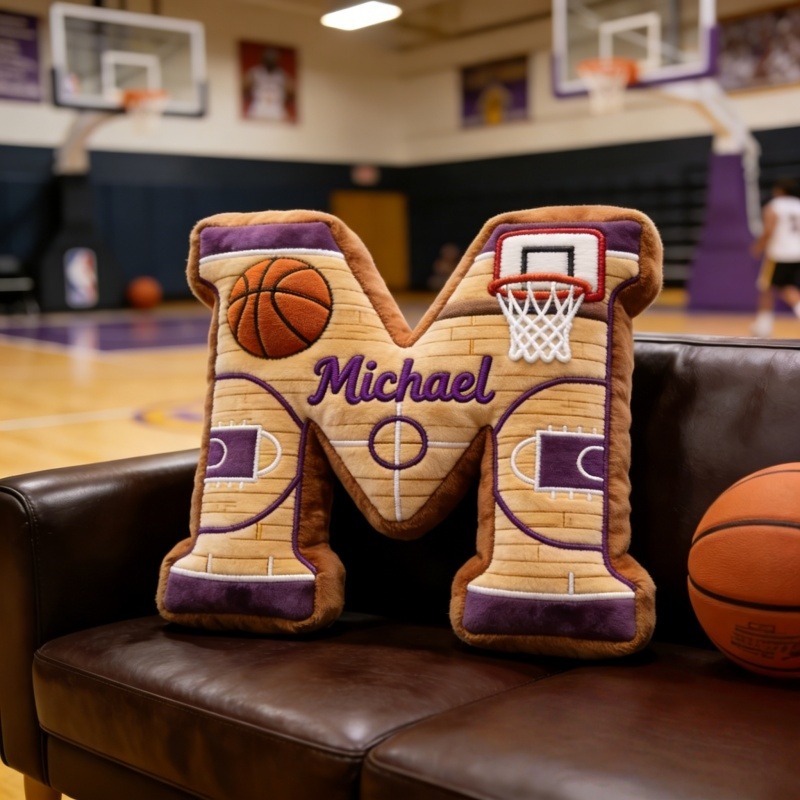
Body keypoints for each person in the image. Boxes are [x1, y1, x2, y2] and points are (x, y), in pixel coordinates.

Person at [751, 178, 800, 337]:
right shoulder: (798, 205)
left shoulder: (774, 206)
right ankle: (762, 325)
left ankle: (763, 326)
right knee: (786, 286)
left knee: (766, 288)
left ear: (779, 190)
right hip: (797, 253)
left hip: (779, 253)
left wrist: (758, 246)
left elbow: (769, 230)